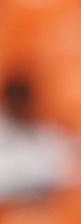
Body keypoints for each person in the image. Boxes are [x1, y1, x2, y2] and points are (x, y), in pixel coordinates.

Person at [0, 74, 75, 204]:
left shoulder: (47, 133)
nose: (19, 106)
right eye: (15, 100)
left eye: (23, 100)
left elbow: (63, 174)